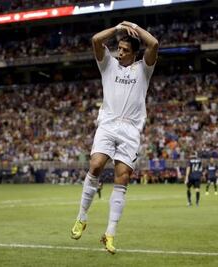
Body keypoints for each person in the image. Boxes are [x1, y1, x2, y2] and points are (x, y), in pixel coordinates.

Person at [70, 21, 158, 254]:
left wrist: (135, 28)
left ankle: (109, 233)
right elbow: (96, 40)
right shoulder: (108, 64)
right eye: (119, 48)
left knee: (122, 178)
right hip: (108, 124)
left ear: (134, 53)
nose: (120, 52)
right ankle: (81, 217)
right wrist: (119, 28)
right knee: (96, 164)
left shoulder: (143, 69)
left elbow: (154, 44)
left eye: (125, 50)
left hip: (130, 130)